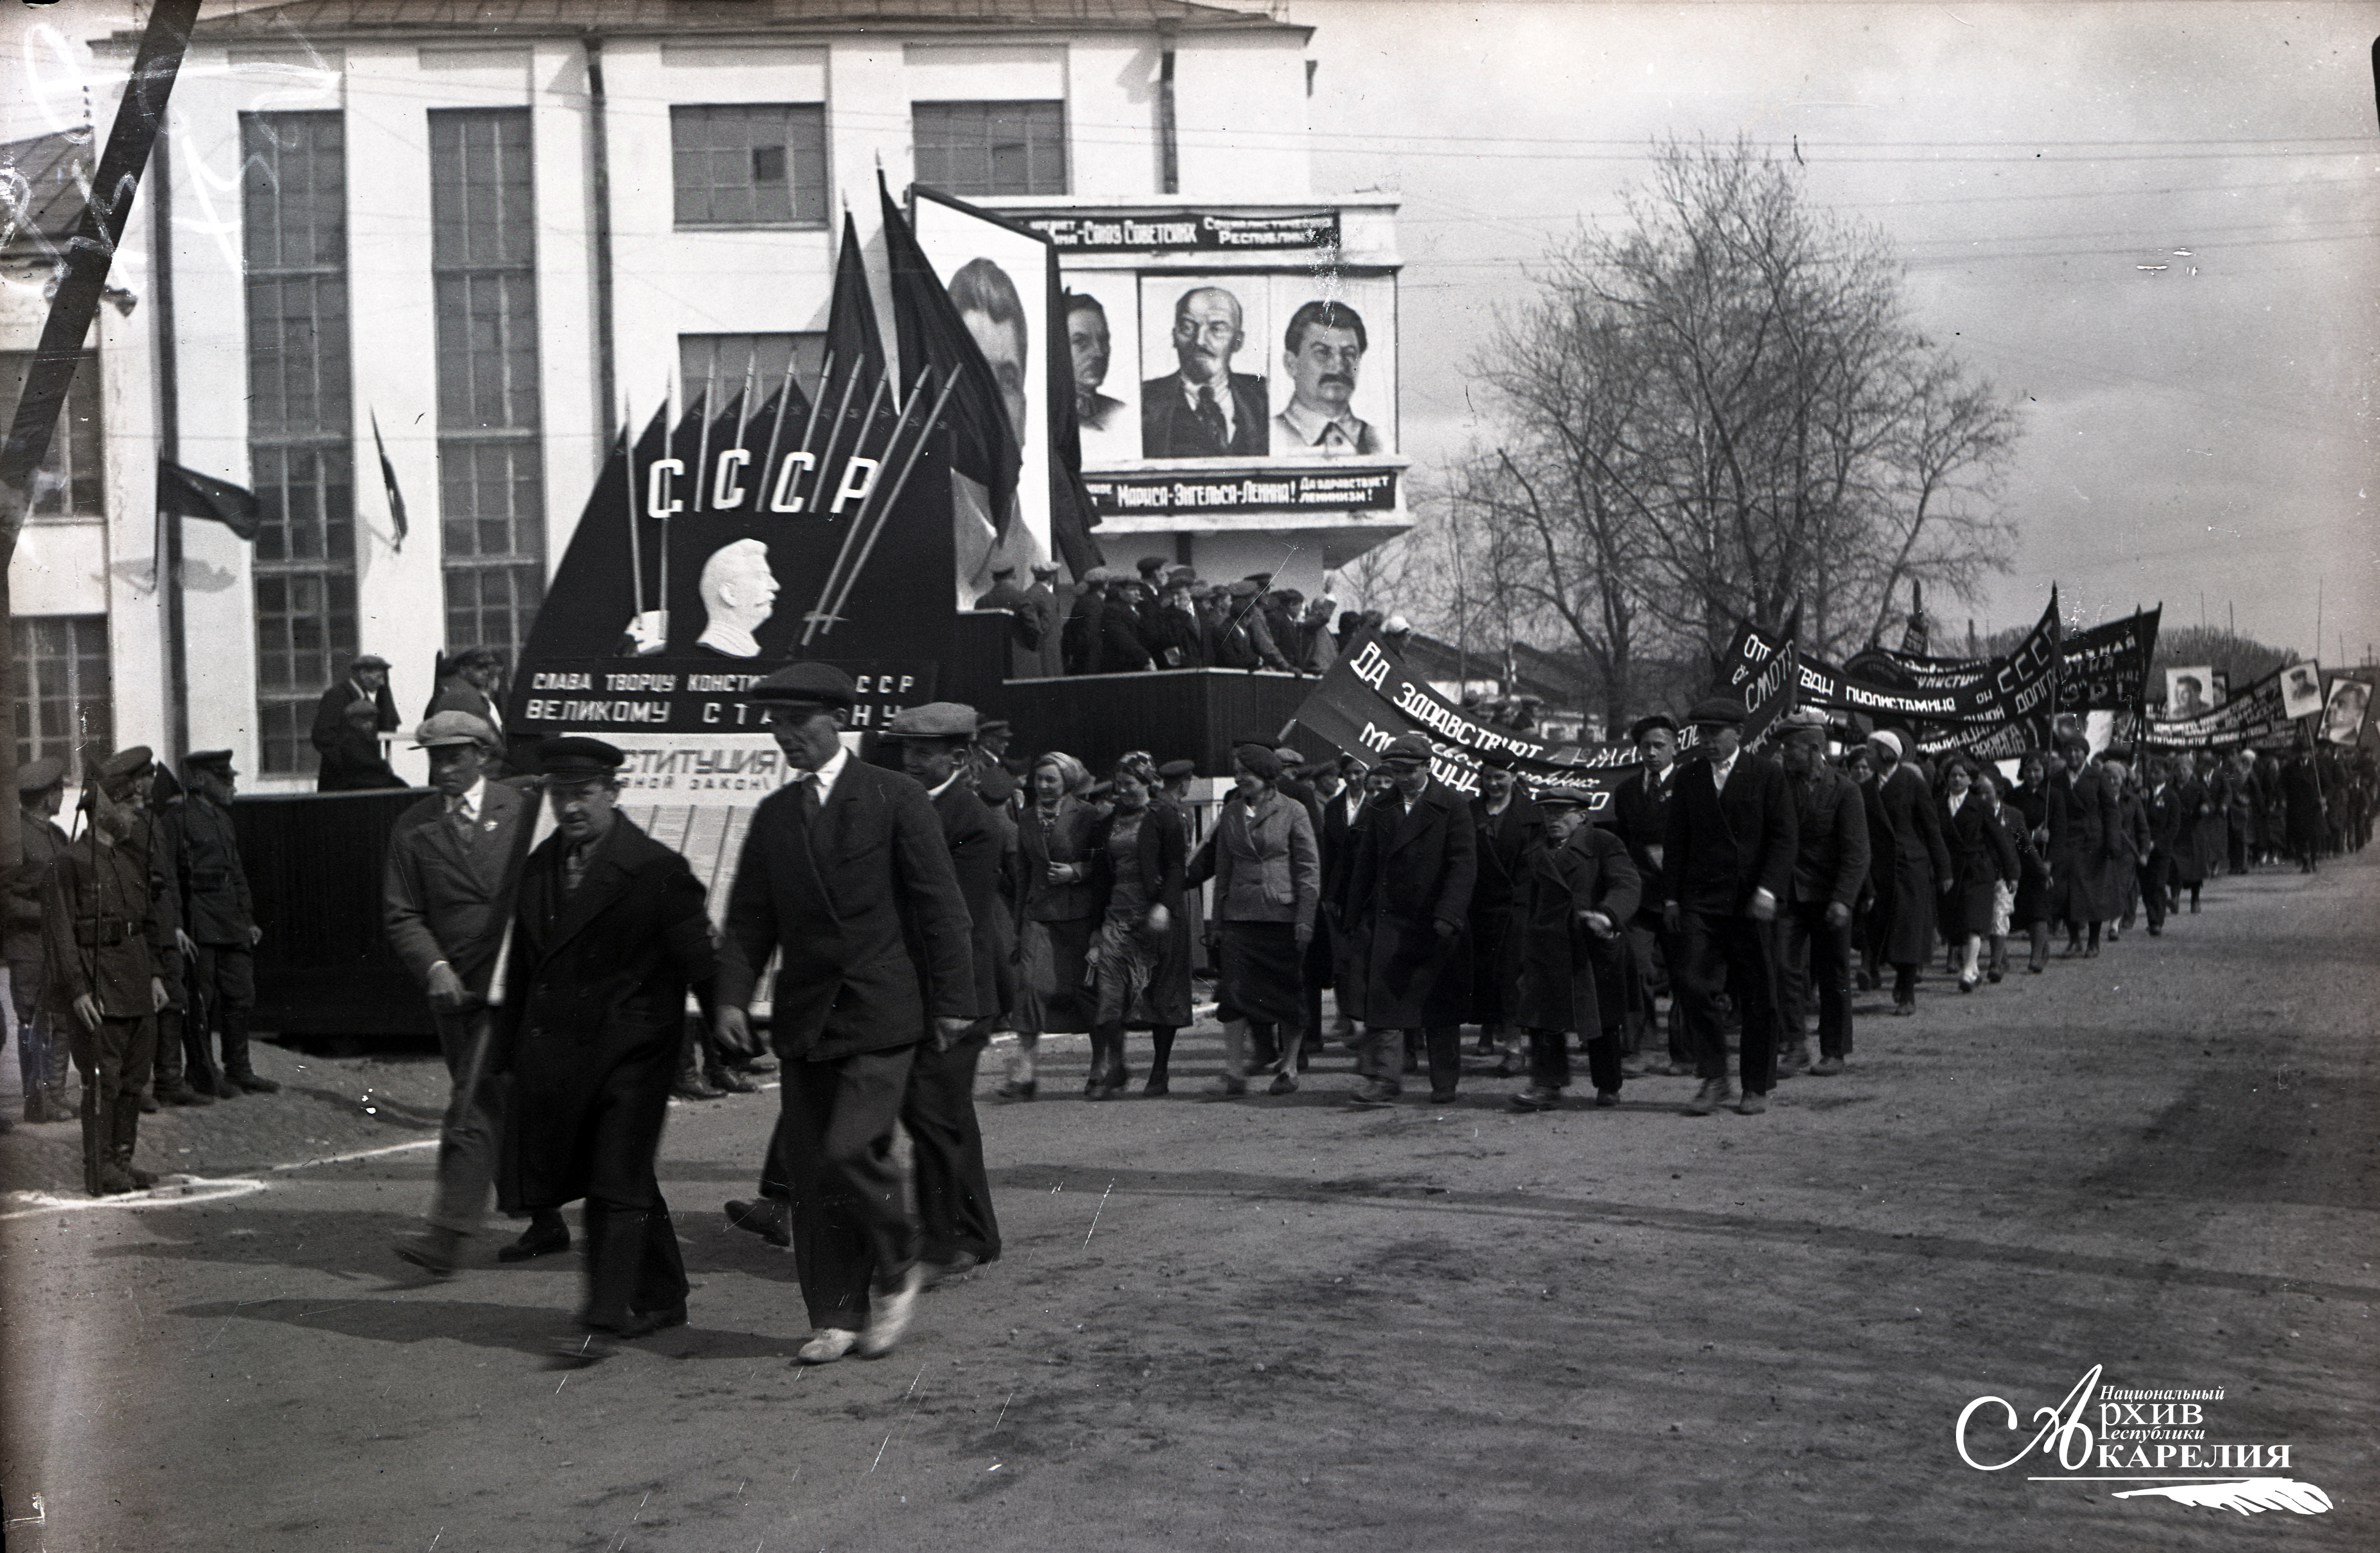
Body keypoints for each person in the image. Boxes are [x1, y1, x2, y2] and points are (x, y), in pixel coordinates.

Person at [712, 663, 977, 1365]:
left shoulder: (895, 798)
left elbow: (940, 908)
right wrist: (731, 997)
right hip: (806, 1017)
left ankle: (896, 1260)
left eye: (797, 723)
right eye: (774, 725)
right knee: (814, 1176)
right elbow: (748, 922)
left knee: (849, 1148)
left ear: (838, 721)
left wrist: (955, 1002)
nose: (784, 736)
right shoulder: (775, 816)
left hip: (880, 1010)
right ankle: (836, 1314)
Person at [496, 738, 718, 1359]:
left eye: (583, 794)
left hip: (635, 1050)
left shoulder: (655, 869)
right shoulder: (542, 866)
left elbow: (699, 956)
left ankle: (604, 1313)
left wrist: (729, 1022)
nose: (570, 807)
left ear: (613, 794)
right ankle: (664, 1295)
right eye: (560, 795)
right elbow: (524, 970)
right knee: (626, 1175)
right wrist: (507, 1054)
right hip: (565, 1056)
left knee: (614, 1178)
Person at [384, 711, 549, 1277]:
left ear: (483, 755)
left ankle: (448, 1234)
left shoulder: (525, 810)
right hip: (457, 992)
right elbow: (402, 913)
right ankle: (541, 1215)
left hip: (519, 985)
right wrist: (432, 965)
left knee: (474, 1104)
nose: (444, 767)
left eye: (456, 755)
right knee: (492, 1100)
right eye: (436, 756)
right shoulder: (414, 827)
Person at [878, 702, 1005, 1281]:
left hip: (955, 995)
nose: (908, 763)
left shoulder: (972, 822)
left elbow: (958, 920)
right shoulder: (901, 806)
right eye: (904, 751)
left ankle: (943, 1242)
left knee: (932, 1115)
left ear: (958, 757)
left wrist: (945, 1005)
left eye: (921, 754)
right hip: (917, 991)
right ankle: (972, 1236)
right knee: (945, 1116)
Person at [42, 748, 173, 1194]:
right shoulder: (71, 863)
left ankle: (122, 1159)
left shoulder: (129, 860)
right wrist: (77, 989)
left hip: (136, 982)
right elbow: (60, 932)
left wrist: (156, 974)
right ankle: (99, 1168)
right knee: (104, 1081)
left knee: (135, 1079)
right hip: (99, 989)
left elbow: (147, 922)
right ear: (105, 809)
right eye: (129, 804)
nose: (138, 811)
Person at [1662, 698, 1795, 1116]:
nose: (1706, 742)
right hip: (1701, 900)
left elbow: (1783, 838)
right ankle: (1714, 1077)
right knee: (1690, 982)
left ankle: (1754, 1085)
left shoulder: (1766, 776)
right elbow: (1676, 841)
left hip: (1749, 902)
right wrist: (1670, 897)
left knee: (1758, 994)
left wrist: (1768, 891)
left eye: (1714, 734)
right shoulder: (1689, 778)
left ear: (1738, 734)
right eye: (1700, 734)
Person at [1344, 733, 1476, 1106]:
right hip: (1389, 922)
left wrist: (1449, 914)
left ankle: (1444, 1081)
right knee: (1382, 1005)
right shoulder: (1380, 807)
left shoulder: (1452, 805)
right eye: (1395, 770)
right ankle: (1383, 1080)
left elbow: (1463, 865)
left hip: (1435, 922)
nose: (1401, 777)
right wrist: (1353, 915)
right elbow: (1365, 865)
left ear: (1427, 767)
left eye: (1408, 771)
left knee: (1439, 1008)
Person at [1186, 743, 1320, 1096]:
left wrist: (1305, 918)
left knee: (1287, 994)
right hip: (1239, 918)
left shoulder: (1293, 811)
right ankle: (1233, 1070)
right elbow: (1222, 870)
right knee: (1232, 993)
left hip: (1282, 917)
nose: (1239, 778)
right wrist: (1216, 923)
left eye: (1245, 771)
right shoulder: (1231, 813)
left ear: (1265, 773)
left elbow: (1308, 869)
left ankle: (1289, 1068)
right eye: (1236, 771)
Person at [1507, 782, 1639, 1111]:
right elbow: (1527, 898)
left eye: (1561, 812)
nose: (1553, 819)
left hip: (1591, 943)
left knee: (1602, 1019)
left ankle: (1608, 1085)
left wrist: (1609, 916)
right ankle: (1547, 1086)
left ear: (1582, 816)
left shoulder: (1603, 843)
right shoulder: (1535, 849)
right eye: (1548, 812)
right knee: (1543, 1017)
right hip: (1547, 942)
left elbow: (1627, 884)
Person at [1082, 752, 1189, 1099]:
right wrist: (1097, 926)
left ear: (1147, 783)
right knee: (1110, 993)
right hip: (1118, 917)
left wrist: (1164, 906)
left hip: (1156, 917)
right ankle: (1117, 1067)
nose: (1123, 791)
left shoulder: (1165, 817)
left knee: (1161, 993)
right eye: (1119, 784)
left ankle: (1159, 1072)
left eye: (1129, 784)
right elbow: (1100, 877)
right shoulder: (1107, 822)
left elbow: (1176, 867)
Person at [1773, 711, 1869, 1077]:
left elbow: (1857, 852)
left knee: (1833, 974)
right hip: (1790, 897)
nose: (1784, 754)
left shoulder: (1845, 790)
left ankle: (1834, 1050)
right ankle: (1795, 1045)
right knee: (1784, 968)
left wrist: (1843, 899)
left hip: (1830, 899)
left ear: (1814, 748)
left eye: (1790, 748)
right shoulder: (1780, 785)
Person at [1001, 751, 1100, 1098]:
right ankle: (1025, 1075)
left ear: (1067, 782)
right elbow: (1023, 876)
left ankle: (1100, 1069)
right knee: (1029, 987)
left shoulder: (1089, 816)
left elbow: (1103, 866)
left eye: (1050, 780)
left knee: (1087, 995)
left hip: (1078, 918)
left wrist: (1076, 872)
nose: (1042, 786)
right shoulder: (1025, 818)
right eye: (1038, 779)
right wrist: (1017, 928)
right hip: (1038, 917)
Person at [181, 749, 277, 1093]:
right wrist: (180, 925)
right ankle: (203, 1074)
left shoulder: (223, 819)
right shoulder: (180, 817)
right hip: (201, 921)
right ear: (202, 781)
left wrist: (247, 917)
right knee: (202, 1002)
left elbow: (236, 872)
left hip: (231, 920)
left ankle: (239, 1069)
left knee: (241, 995)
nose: (232, 786)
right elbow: (174, 876)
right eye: (226, 780)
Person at [1609, 715, 1689, 1076]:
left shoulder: (1690, 784)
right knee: (1636, 968)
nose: (1652, 753)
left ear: (1675, 746)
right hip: (1641, 896)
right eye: (1646, 746)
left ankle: (1685, 1052)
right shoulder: (1626, 791)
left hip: (1681, 895)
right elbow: (1624, 843)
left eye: (1659, 746)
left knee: (1684, 973)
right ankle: (1643, 1048)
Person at [1467, 752, 1544, 1076]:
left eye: (1500, 777)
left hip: (1517, 906)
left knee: (1512, 976)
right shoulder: (1470, 811)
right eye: (1488, 778)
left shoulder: (1532, 815)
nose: (1494, 784)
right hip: (1479, 906)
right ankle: (1488, 1029)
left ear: (1514, 777)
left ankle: (1514, 1047)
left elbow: (1538, 866)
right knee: (1483, 973)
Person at [1863, 730, 1950, 1015]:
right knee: (1877, 923)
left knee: (1908, 930)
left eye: (1870, 751)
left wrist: (1944, 870)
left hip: (1910, 866)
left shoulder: (1913, 783)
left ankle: (1908, 991)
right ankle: (1875, 968)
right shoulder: (1864, 789)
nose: (1866, 756)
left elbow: (1932, 829)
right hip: (1877, 867)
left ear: (1886, 754)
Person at [8, 756, 76, 1122]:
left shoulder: (57, 836)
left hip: (54, 945)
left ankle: (56, 1092)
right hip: (29, 946)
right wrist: (47, 913)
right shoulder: (16, 838)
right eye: (57, 791)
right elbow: (7, 900)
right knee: (32, 1020)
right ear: (44, 797)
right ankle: (36, 1099)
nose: (62, 796)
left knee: (61, 1017)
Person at [1142, 285, 1268, 458]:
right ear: (1174, 336)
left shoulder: (1266, 394)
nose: (1200, 341)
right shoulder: (1144, 399)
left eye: (1217, 328)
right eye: (1188, 327)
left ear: (1238, 341)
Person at [1936, 754, 2019, 994]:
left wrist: (2011, 873)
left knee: (1974, 923)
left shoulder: (1981, 807)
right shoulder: (1937, 805)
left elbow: (2001, 841)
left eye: (1963, 776)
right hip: (1950, 872)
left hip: (1977, 871)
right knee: (1958, 926)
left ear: (1971, 780)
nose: (1957, 780)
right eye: (1953, 775)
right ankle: (1972, 971)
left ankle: (1969, 970)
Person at [1272, 300, 1382, 456]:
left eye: (1349, 354)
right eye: (1323, 353)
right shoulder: (1268, 437)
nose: (1338, 367)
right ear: (1291, 364)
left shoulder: (1379, 441)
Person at [2046, 733, 2121, 956]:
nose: (2073, 755)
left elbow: (2111, 813)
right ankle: (2075, 939)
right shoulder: (2056, 780)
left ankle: (2094, 942)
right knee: (2066, 894)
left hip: (2092, 843)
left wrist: (2112, 843)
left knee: (2093, 894)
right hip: (2065, 842)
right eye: (2069, 750)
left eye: (2078, 750)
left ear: (2086, 754)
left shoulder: (2098, 778)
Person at [309, 653, 404, 791]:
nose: (382, 683)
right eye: (379, 677)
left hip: (361, 778)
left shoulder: (363, 697)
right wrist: (352, 765)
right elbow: (323, 737)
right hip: (342, 781)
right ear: (364, 673)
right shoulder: (337, 695)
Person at [2005, 750, 2056, 973]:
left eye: (2037, 770)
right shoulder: (2014, 797)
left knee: (2039, 907)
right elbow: (2009, 829)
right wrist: (2032, 838)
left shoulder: (2054, 797)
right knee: (2018, 909)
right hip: (2020, 859)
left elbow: (2060, 832)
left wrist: (2051, 862)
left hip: (2043, 861)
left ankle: (2036, 956)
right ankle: (2039, 946)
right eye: (2028, 771)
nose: (2033, 775)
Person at [1065, 290, 1126, 432]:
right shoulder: (1043, 414)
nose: (1099, 353)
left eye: (1103, 340)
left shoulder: (1120, 412)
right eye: (1081, 342)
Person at [973, 563, 1045, 679]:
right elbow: (1034, 628)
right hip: (1020, 664)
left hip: (993, 666)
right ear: (1014, 576)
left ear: (994, 579)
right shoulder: (1021, 598)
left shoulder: (982, 602)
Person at [428, 646, 506, 735]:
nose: (485, 672)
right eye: (479, 668)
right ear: (463, 670)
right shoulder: (462, 697)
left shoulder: (478, 697)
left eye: (486, 668)